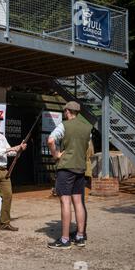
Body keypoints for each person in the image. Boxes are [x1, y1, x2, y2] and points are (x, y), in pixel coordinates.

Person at [47, 101, 92, 249]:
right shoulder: (87, 128)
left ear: (67, 111)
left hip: (66, 167)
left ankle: (65, 239)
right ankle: (80, 236)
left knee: (65, 202)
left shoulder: (64, 125)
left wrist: (56, 155)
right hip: (80, 167)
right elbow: (87, 147)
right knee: (78, 202)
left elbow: (51, 140)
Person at [0, 115, 27, 233]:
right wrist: (12, 148)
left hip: (4, 171)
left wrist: (19, 149)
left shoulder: (2, 137)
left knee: (8, 195)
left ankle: (5, 223)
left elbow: (10, 153)